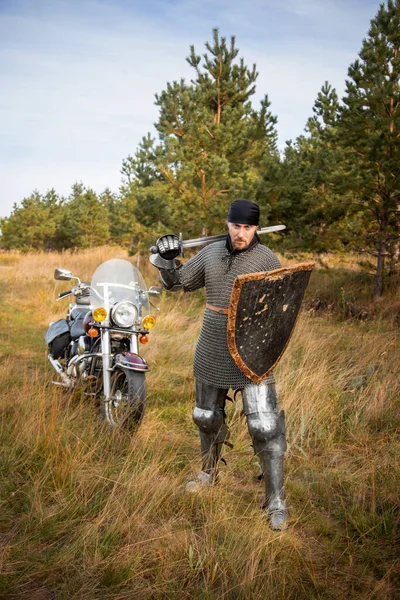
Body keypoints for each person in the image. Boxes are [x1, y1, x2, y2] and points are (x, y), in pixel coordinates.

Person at [150, 199, 288, 530]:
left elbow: (281, 308)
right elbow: (177, 283)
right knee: (206, 416)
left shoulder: (267, 259)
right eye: (236, 226)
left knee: (265, 426)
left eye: (248, 227)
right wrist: (166, 260)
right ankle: (208, 474)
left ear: (256, 228)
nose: (241, 233)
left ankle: (276, 500)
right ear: (227, 224)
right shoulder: (211, 255)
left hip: (253, 348)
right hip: (213, 344)